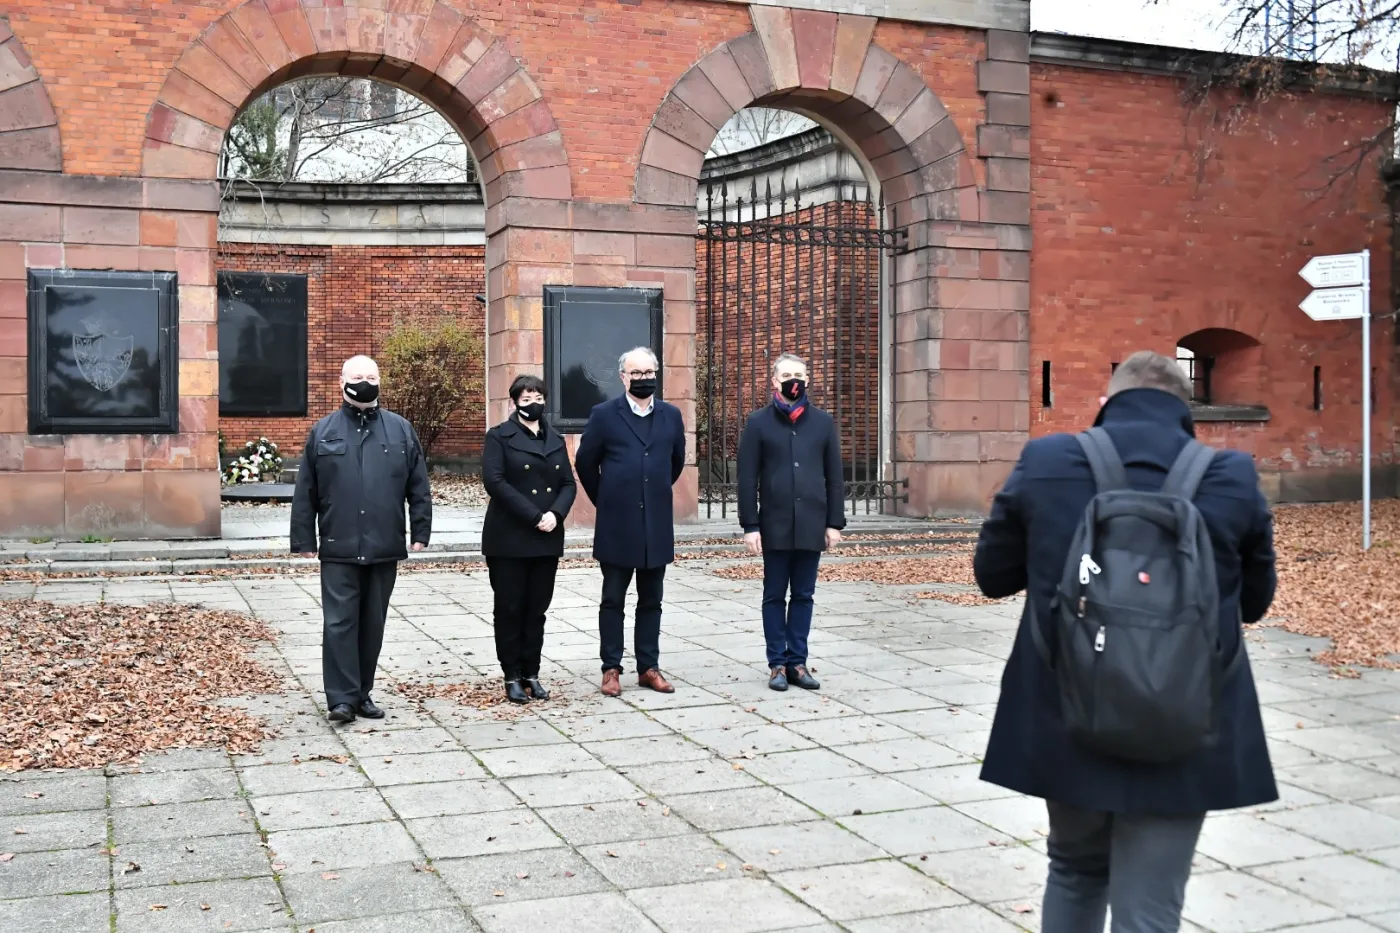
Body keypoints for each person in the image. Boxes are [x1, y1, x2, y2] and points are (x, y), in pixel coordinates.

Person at [973, 350, 1278, 933]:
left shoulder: (1048, 461)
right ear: (1187, 410)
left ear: (1106, 403)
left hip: (1067, 704)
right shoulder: (1230, 476)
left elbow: (993, 576)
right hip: (1187, 712)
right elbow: (1255, 603)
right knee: (1151, 905)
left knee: (1074, 871)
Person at [290, 355, 432, 724]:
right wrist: (304, 538)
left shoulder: (400, 430)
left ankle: (361, 693)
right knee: (339, 623)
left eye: (371, 376)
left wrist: (421, 529)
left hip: (383, 543)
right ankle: (341, 699)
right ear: (342, 382)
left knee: (372, 624)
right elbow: (306, 489)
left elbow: (418, 485)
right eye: (357, 376)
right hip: (339, 544)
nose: (364, 382)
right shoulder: (323, 431)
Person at [574, 346, 686, 697]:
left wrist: (652, 490)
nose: (643, 379)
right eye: (636, 373)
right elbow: (585, 462)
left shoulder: (671, 415)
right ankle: (611, 668)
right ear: (623, 377)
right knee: (613, 600)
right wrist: (606, 499)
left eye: (649, 372)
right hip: (617, 524)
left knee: (652, 600)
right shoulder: (604, 415)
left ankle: (648, 667)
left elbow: (676, 461)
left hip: (656, 524)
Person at [737, 353, 845, 692]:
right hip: (775, 523)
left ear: (808, 380)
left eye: (799, 375)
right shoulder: (758, 423)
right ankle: (777, 665)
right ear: (774, 381)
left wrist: (834, 523)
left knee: (803, 595)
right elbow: (747, 479)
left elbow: (835, 477)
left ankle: (797, 662)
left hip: (812, 523)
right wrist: (750, 525)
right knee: (774, 595)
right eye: (786, 375)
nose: (793, 381)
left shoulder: (823, 423)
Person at [481, 374, 577, 704]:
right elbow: (495, 481)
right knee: (510, 608)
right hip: (509, 537)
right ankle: (511, 675)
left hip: (546, 538)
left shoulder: (555, 439)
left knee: (537, 610)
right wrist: (534, 515)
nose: (532, 404)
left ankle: (531, 674)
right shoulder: (499, 437)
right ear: (514, 403)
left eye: (538, 398)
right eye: (525, 399)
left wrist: (556, 514)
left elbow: (568, 483)